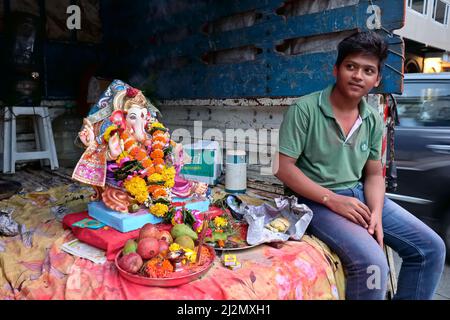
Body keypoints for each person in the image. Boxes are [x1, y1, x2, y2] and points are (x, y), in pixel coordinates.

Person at [274, 31, 445, 300]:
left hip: (360, 196)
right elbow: (284, 168)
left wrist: (376, 213)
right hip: (314, 201)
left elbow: (374, 174)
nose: (357, 75)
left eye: (368, 70)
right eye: (350, 66)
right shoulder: (304, 109)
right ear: (336, 70)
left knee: (432, 248)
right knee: (373, 264)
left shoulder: (373, 119)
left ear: (376, 79)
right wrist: (332, 200)